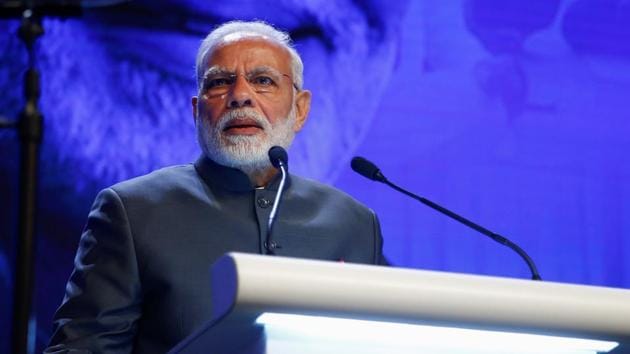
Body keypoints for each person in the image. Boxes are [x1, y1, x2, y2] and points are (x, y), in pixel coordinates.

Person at [44, 20, 387, 354]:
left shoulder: (354, 224)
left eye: (263, 80)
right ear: (197, 112)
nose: (240, 96)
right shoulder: (131, 210)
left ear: (300, 110)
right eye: (220, 83)